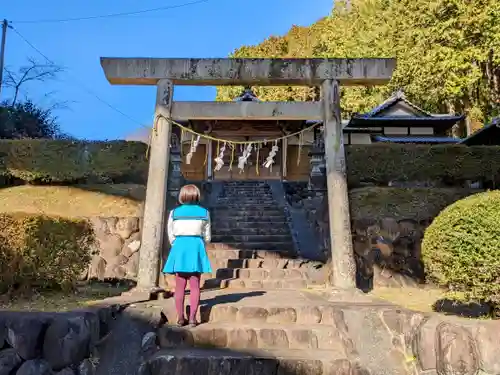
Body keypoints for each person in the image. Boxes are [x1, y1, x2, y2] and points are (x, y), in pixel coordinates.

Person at [163, 184, 212, 327]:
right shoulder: (204, 213)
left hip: (179, 246)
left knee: (180, 285)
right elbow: (207, 236)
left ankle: (180, 318)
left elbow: (170, 233)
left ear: (182, 196)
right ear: (197, 195)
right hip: (196, 246)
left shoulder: (174, 213)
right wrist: (200, 244)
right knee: (195, 285)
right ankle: (192, 318)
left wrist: (177, 245)